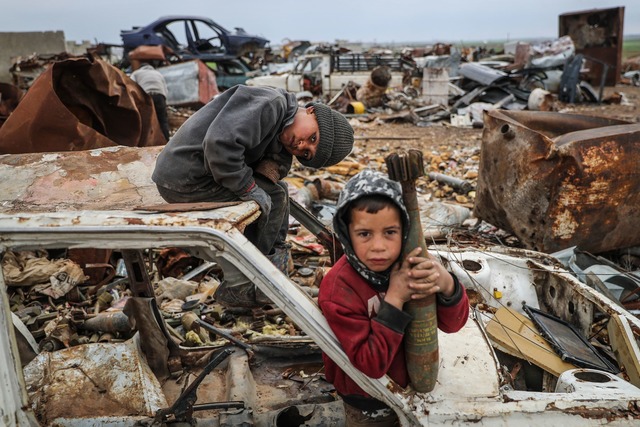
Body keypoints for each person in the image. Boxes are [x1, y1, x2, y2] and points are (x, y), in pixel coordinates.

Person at [318, 169, 469, 426]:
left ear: (404, 230)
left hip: (408, 383)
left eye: (390, 232)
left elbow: (453, 324)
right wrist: (395, 298)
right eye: (365, 234)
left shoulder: (410, 264)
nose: (379, 247)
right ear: (347, 233)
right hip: (366, 398)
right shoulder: (339, 289)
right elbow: (370, 365)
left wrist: (445, 283)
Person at [152, 84, 354, 275]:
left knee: (278, 191)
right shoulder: (271, 104)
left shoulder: (281, 121)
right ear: (311, 111)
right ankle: (248, 279)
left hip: (197, 174)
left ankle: (270, 257)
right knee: (273, 197)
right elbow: (219, 146)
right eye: (312, 138)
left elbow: (271, 169)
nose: (302, 146)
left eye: (307, 154)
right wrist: (248, 187)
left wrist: (271, 169)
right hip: (183, 178)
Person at [130, 61, 170, 140]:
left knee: (145, 120)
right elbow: (166, 89)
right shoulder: (158, 74)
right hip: (160, 96)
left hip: (147, 96)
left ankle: (144, 142)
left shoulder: (136, 73)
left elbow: (131, 85)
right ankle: (167, 141)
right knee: (162, 120)